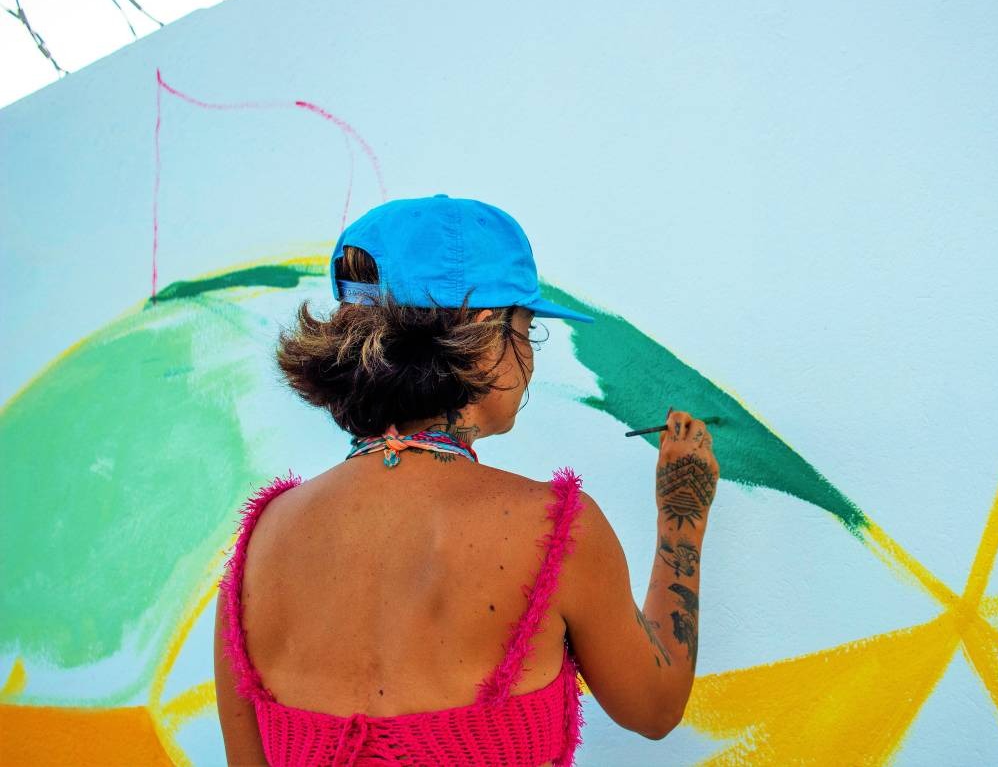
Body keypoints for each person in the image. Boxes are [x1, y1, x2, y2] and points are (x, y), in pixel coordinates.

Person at [213, 194, 720, 767]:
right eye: (526, 330)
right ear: (484, 333)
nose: (529, 356)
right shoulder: (553, 530)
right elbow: (653, 707)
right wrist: (682, 513)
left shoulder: (260, 541)